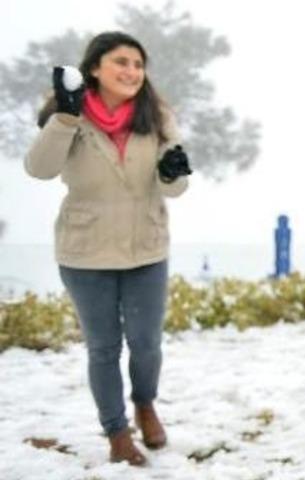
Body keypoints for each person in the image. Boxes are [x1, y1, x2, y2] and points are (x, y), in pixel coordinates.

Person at [25, 31, 192, 466]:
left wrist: (172, 172)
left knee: (146, 343)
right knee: (103, 348)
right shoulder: (70, 114)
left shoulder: (156, 115)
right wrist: (65, 118)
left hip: (145, 249)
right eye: (121, 62)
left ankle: (145, 403)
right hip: (86, 253)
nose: (132, 71)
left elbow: (174, 188)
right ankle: (117, 432)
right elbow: (39, 169)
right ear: (95, 68)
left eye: (138, 64)